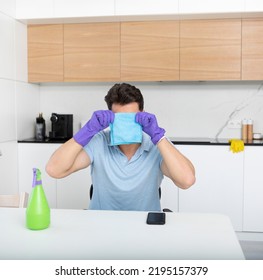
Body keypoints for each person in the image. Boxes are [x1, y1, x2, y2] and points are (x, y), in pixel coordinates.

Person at [46, 83, 195, 211]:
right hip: (101, 225)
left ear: (142, 116)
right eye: (120, 119)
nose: (126, 125)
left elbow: (187, 180)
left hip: (145, 227)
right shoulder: (99, 142)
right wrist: (87, 131)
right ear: (110, 117)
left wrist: (159, 137)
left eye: (131, 119)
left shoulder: (156, 145)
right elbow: (54, 170)